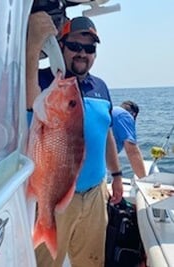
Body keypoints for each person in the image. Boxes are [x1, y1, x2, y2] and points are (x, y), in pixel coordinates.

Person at [26, 12, 123, 267]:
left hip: (95, 195)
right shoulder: (44, 81)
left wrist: (117, 175)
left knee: (92, 261)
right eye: (75, 46)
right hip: (53, 196)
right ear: (61, 46)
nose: (82, 53)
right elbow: (29, 101)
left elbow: (107, 133)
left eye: (89, 48)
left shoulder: (101, 87)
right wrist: (34, 44)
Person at [112, 101, 146, 178]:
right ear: (133, 114)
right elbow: (132, 152)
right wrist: (144, 181)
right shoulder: (124, 116)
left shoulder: (112, 111)